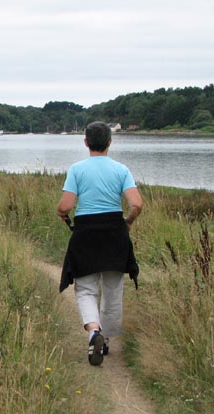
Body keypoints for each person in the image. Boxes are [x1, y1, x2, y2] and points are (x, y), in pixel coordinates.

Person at [56, 121, 143, 366]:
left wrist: (61, 213)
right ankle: (105, 341)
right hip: (115, 233)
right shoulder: (121, 169)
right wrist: (128, 222)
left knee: (85, 289)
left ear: (85, 142)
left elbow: (66, 206)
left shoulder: (77, 169)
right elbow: (137, 204)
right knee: (113, 289)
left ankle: (94, 330)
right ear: (110, 142)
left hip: (86, 234)